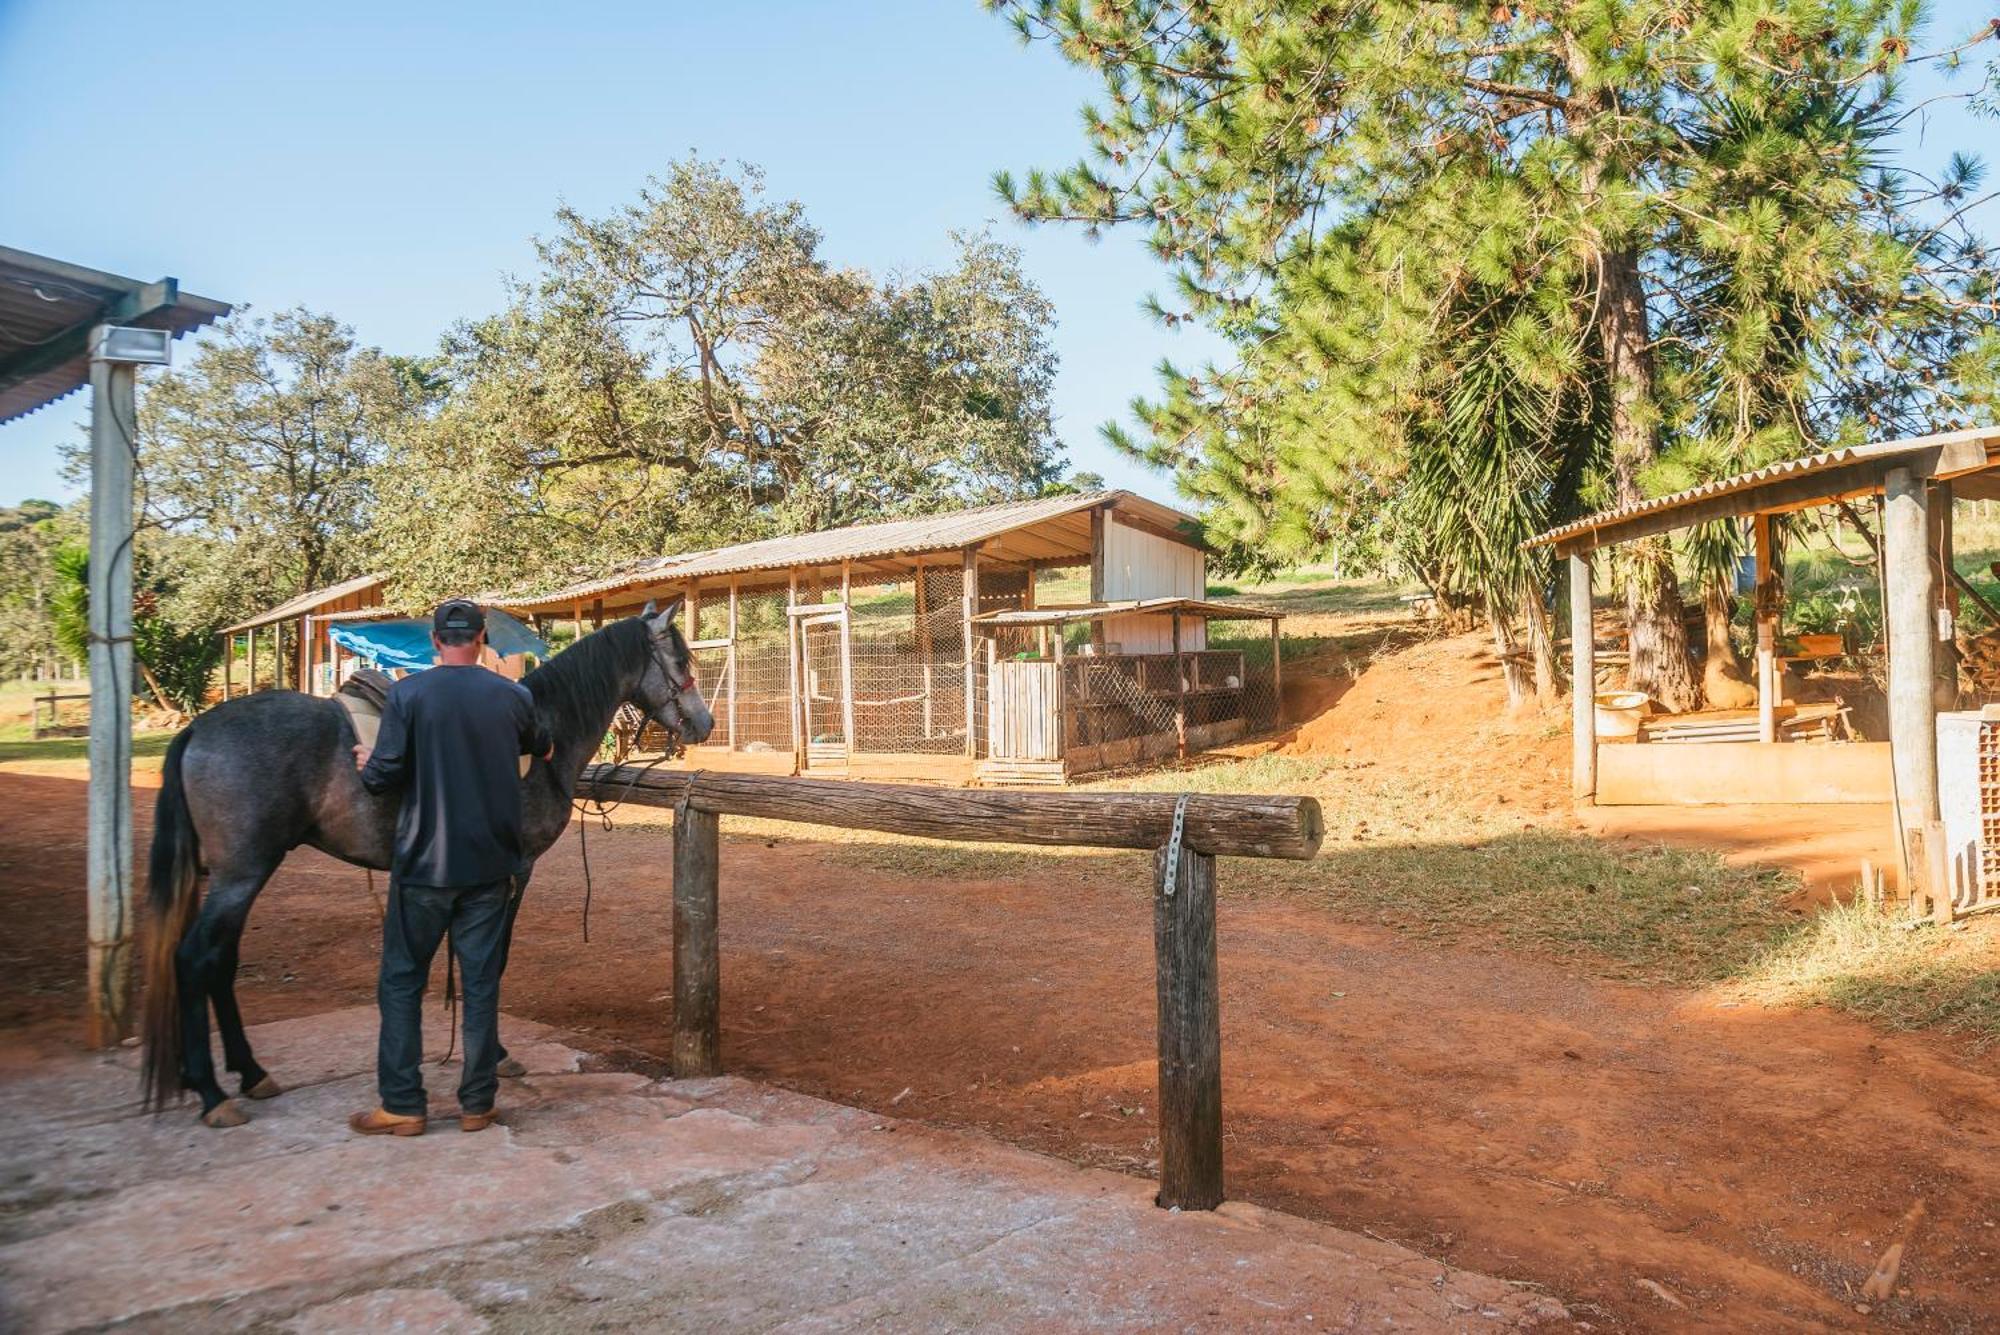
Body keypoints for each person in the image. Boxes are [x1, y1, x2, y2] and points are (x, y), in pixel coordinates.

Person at [348, 599, 551, 1136]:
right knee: (481, 985)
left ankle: (404, 1105)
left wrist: (371, 764)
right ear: (482, 638)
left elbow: (381, 777)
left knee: (401, 982)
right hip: (488, 868)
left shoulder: (409, 694)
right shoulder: (514, 696)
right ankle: (477, 1103)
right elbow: (542, 747)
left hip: (422, 867)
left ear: (435, 642)